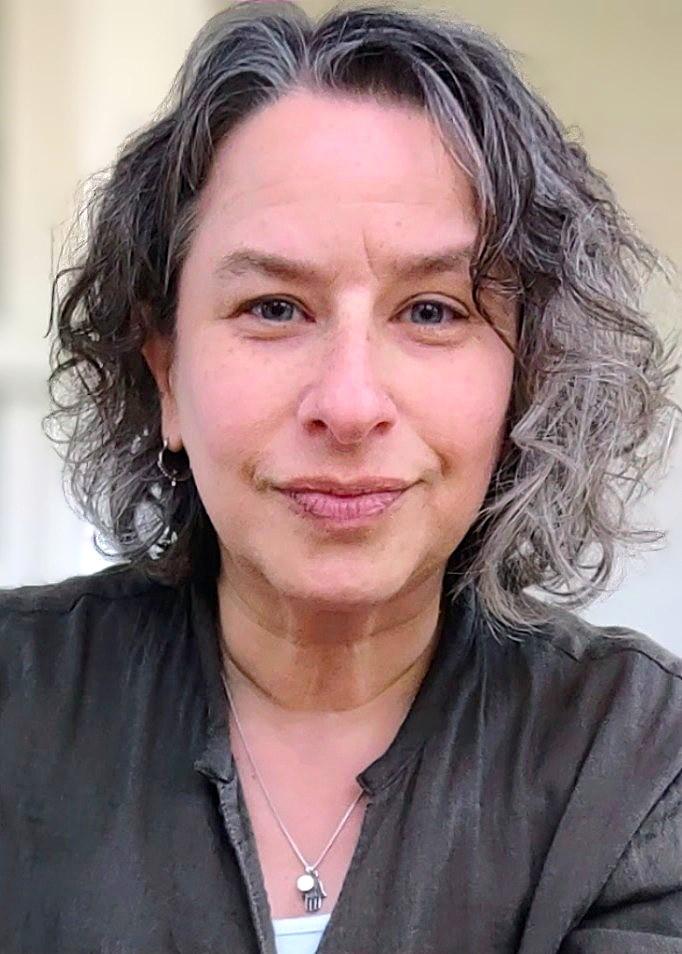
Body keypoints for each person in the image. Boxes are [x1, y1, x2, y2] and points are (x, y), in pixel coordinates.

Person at [1, 1, 680, 951]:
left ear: (526, 373)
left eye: (434, 311)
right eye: (274, 307)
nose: (351, 403)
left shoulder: (638, 761)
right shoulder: (18, 703)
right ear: (166, 374)